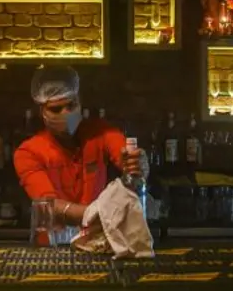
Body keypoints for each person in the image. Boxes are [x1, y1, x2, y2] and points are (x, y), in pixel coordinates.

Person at [13, 66, 149, 229]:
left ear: (80, 103)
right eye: (56, 109)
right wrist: (100, 215)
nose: (65, 113)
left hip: (96, 244)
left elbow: (125, 155)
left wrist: (137, 164)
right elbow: (49, 205)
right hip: (54, 247)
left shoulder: (99, 133)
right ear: (41, 111)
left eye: (71, 106)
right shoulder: (28, 152)